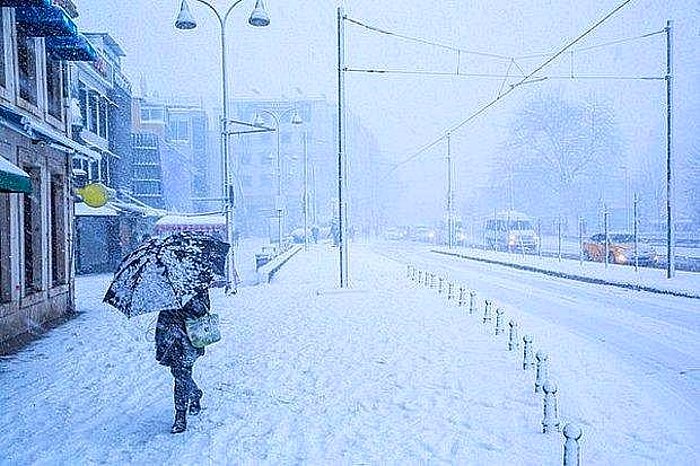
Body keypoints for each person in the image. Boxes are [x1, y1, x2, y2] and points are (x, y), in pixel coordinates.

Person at [155, 287, 210, 434]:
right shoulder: (164, 281)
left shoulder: (195, 282)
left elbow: (203, 309)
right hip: (169, 337)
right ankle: (195, 393)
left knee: (181, 376)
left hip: (189, 339)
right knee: (179, 373)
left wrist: (183, 308)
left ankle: (180, 416)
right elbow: (162, 310)